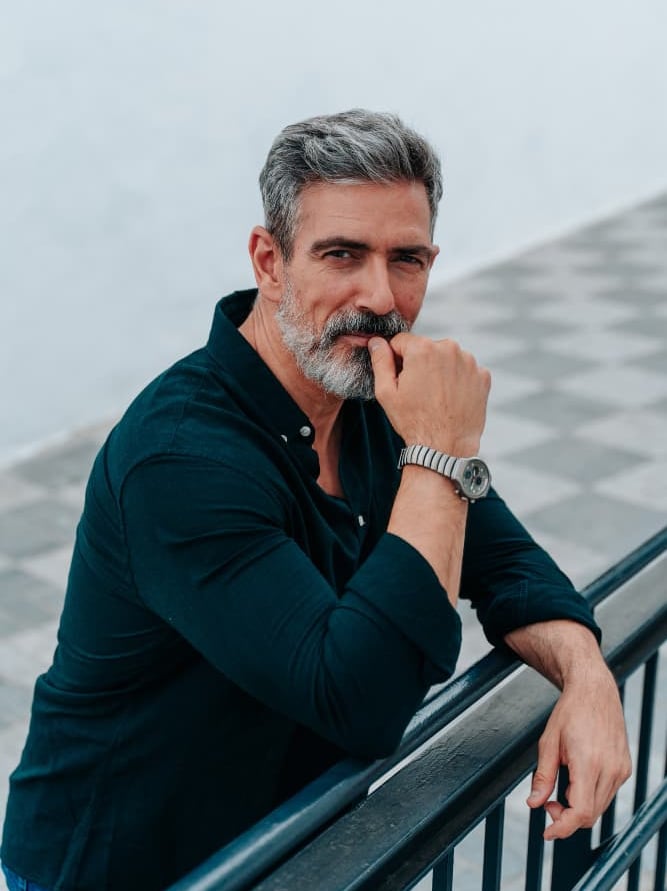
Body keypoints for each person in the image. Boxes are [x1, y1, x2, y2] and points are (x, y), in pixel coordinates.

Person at [1, 109, 630, 891]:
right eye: (341, 254)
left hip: (286, 849)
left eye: (406, 258)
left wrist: (587, 676)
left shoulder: (372, 403)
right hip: (123, 869)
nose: (379, 296)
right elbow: (361, 698)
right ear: (270, 261)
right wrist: (440, 453)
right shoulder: (180, 457)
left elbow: (506, 563)